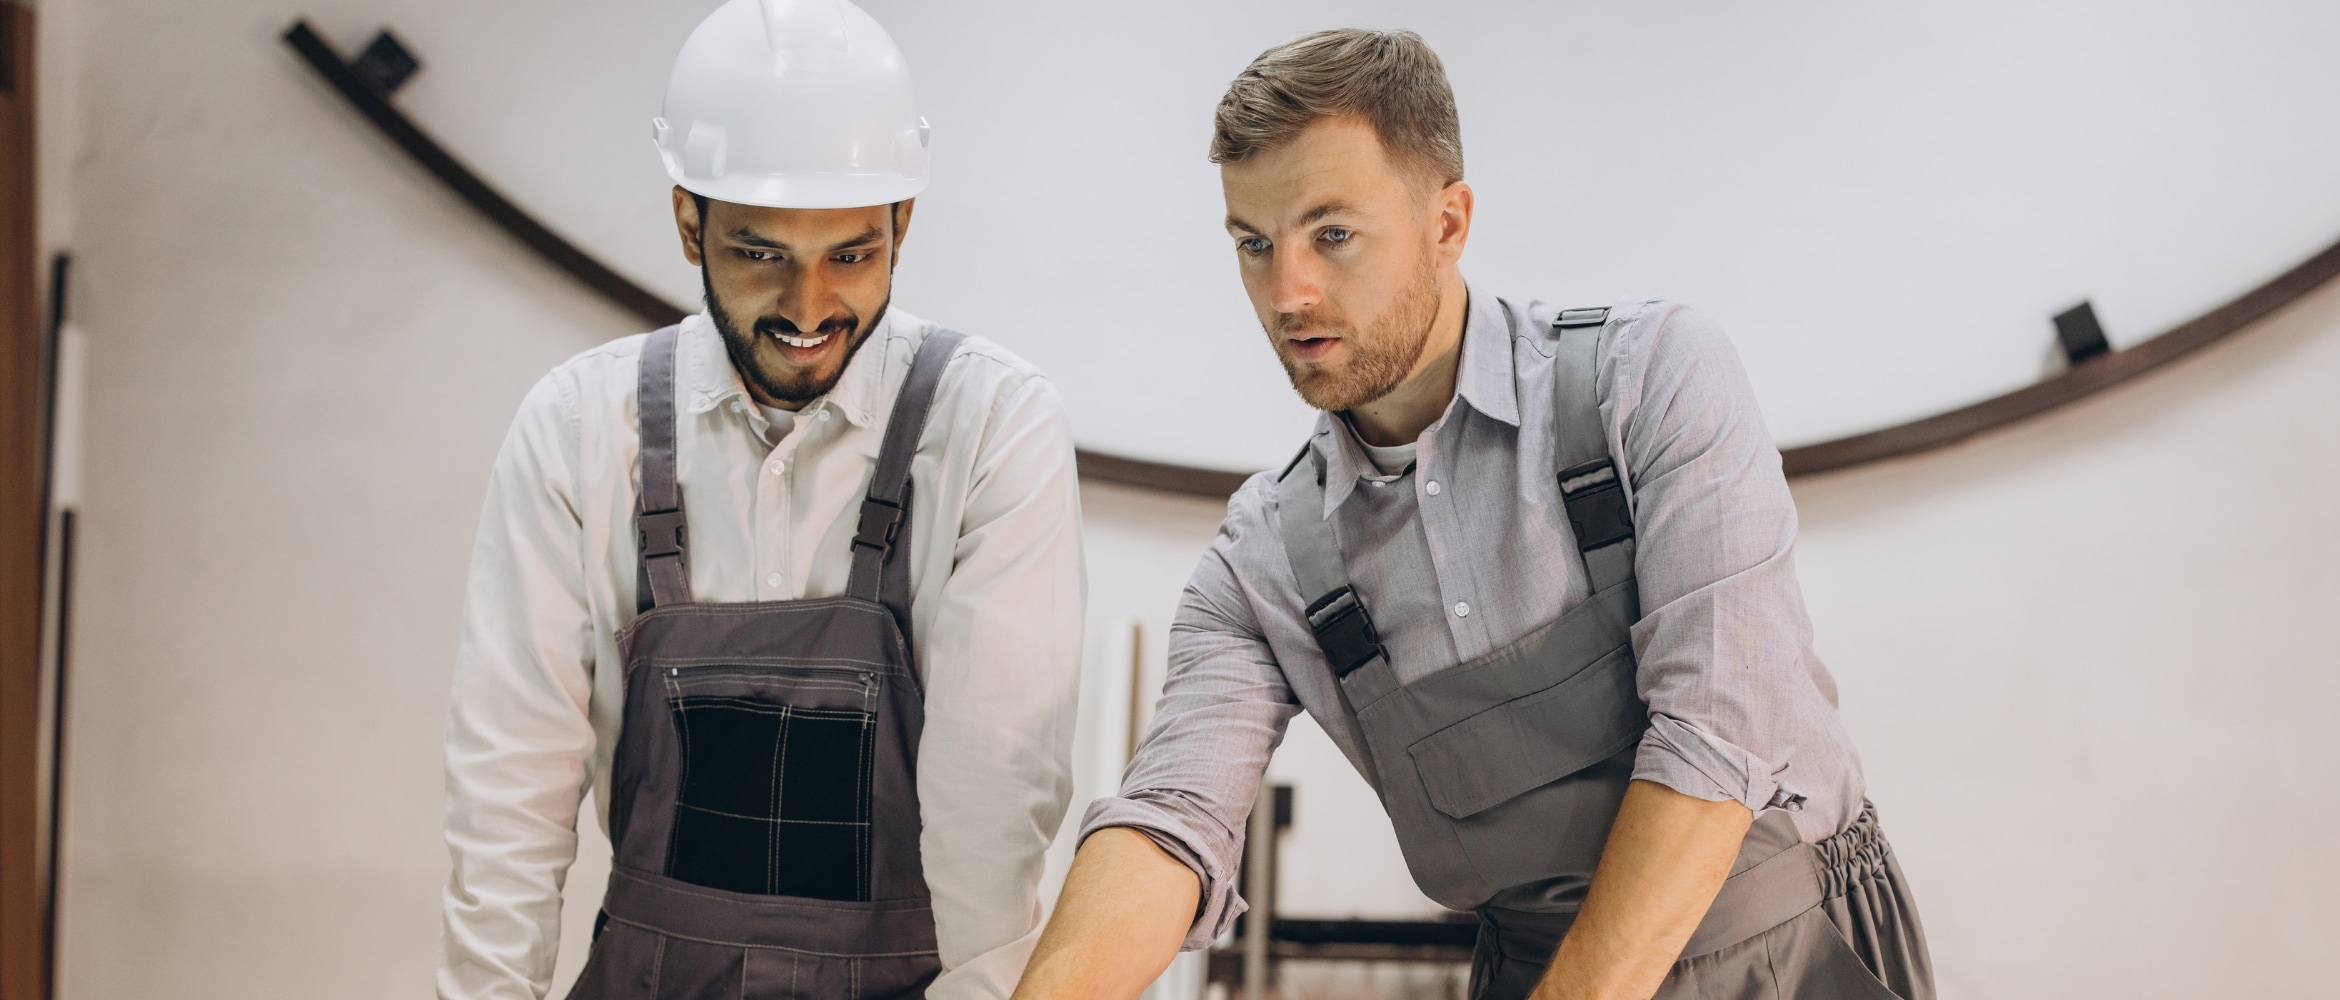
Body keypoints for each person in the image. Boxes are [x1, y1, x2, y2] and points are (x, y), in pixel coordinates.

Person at [1015, 28, 1931, 1000]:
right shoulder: (1267, 556)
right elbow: (1173, 816)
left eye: (1332, 233)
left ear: (1447, 222)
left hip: (1788, 952)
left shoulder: (1650, 379)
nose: (1288, 294)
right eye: (1254, 243)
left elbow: (1719, 732)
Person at [435, 2, 1084, 997]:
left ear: (904, 220)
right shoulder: (580, 425)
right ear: (688, 218)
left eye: (851, 255)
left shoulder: (993, 425)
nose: (809, 306)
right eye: (760, 252)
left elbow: (994, 803)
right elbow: (508, 788)